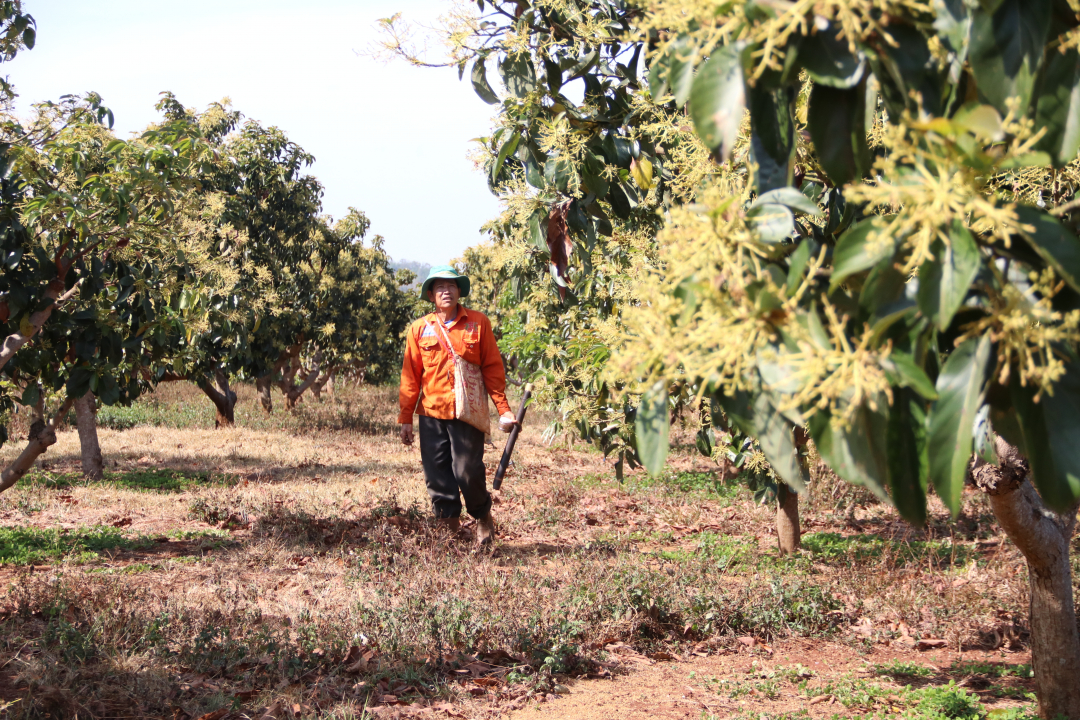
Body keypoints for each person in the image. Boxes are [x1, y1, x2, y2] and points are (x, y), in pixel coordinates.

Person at [398, 265, 516, 545]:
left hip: (467, 413)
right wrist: (405, 418)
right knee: (437, 474)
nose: (446, 291)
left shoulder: (478, 323)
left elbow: (492, 368)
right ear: (431, 295)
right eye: (439, 287)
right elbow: (410, 375)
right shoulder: (419, 329)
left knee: (467, 470)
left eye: (451, 286)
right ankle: (448, 533)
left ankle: (482, 516)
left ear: (459, 291)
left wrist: (503, 408)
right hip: (431, 413)